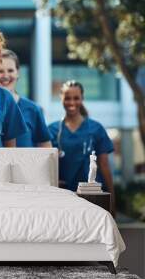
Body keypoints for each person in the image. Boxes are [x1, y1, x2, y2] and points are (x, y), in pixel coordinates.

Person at [48, 80, 115, 215]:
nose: (72, 102)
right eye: (67, 98)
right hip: (63, 196)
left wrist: (112, 199)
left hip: (92, 195)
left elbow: (104, 165)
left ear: (82, 99)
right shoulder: (52, 130)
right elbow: (47, 167)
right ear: (61, 98)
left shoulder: (96, 128)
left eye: (76, 98)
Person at [0, 49, 51, 147]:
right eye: (0, 71)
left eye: (10, 70)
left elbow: (45, 147)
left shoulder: (33, 109)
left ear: (17, 73)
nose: (6, 76)